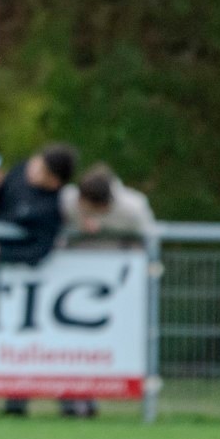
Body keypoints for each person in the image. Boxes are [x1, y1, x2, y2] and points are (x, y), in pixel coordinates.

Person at [0, 143, 76, 416]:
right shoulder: (21, 171)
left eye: (40, 169)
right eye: (34, 161)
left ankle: (16, 405)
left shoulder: (52, 207)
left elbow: (39, 250)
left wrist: (4, 253)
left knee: (20, 346)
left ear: (55, 181)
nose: (32, 169)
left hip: (28, 292)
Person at [58, 163, 156, 418]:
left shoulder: (133, 209)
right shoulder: (68, 200)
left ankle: (98, 396)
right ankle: (73, 399)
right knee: (70, 342)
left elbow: (149, 244)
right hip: (72, 284)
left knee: (102, 345)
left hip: (114, 289)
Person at [61, 162, 156, 246]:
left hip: (120, 256)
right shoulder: (67, 198)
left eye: (91, 209)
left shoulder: (134, 208)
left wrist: (103, 226)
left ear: (103, 205)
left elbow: (147, 238)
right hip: (77, 256)